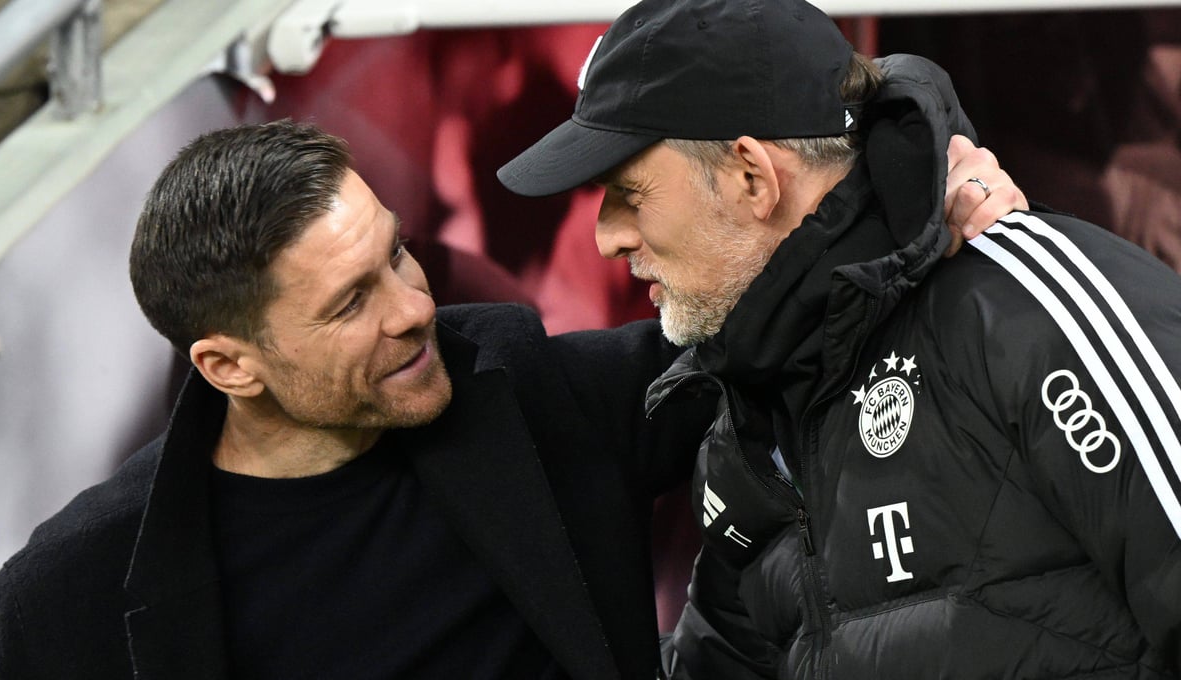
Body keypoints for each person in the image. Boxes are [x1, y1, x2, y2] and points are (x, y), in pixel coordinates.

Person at [0, 116, 1017, 679]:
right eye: (350, 303)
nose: (413, 309)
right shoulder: (79, 590)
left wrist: (926, 195)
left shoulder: (523, 393)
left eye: (396, 256)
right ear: (229, 366)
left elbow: (782, 329)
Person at [497, 0, 1181, 677]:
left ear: (751, 177)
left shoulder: (1023, 308)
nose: (608, 237)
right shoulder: (746, 428)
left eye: (630, 192)